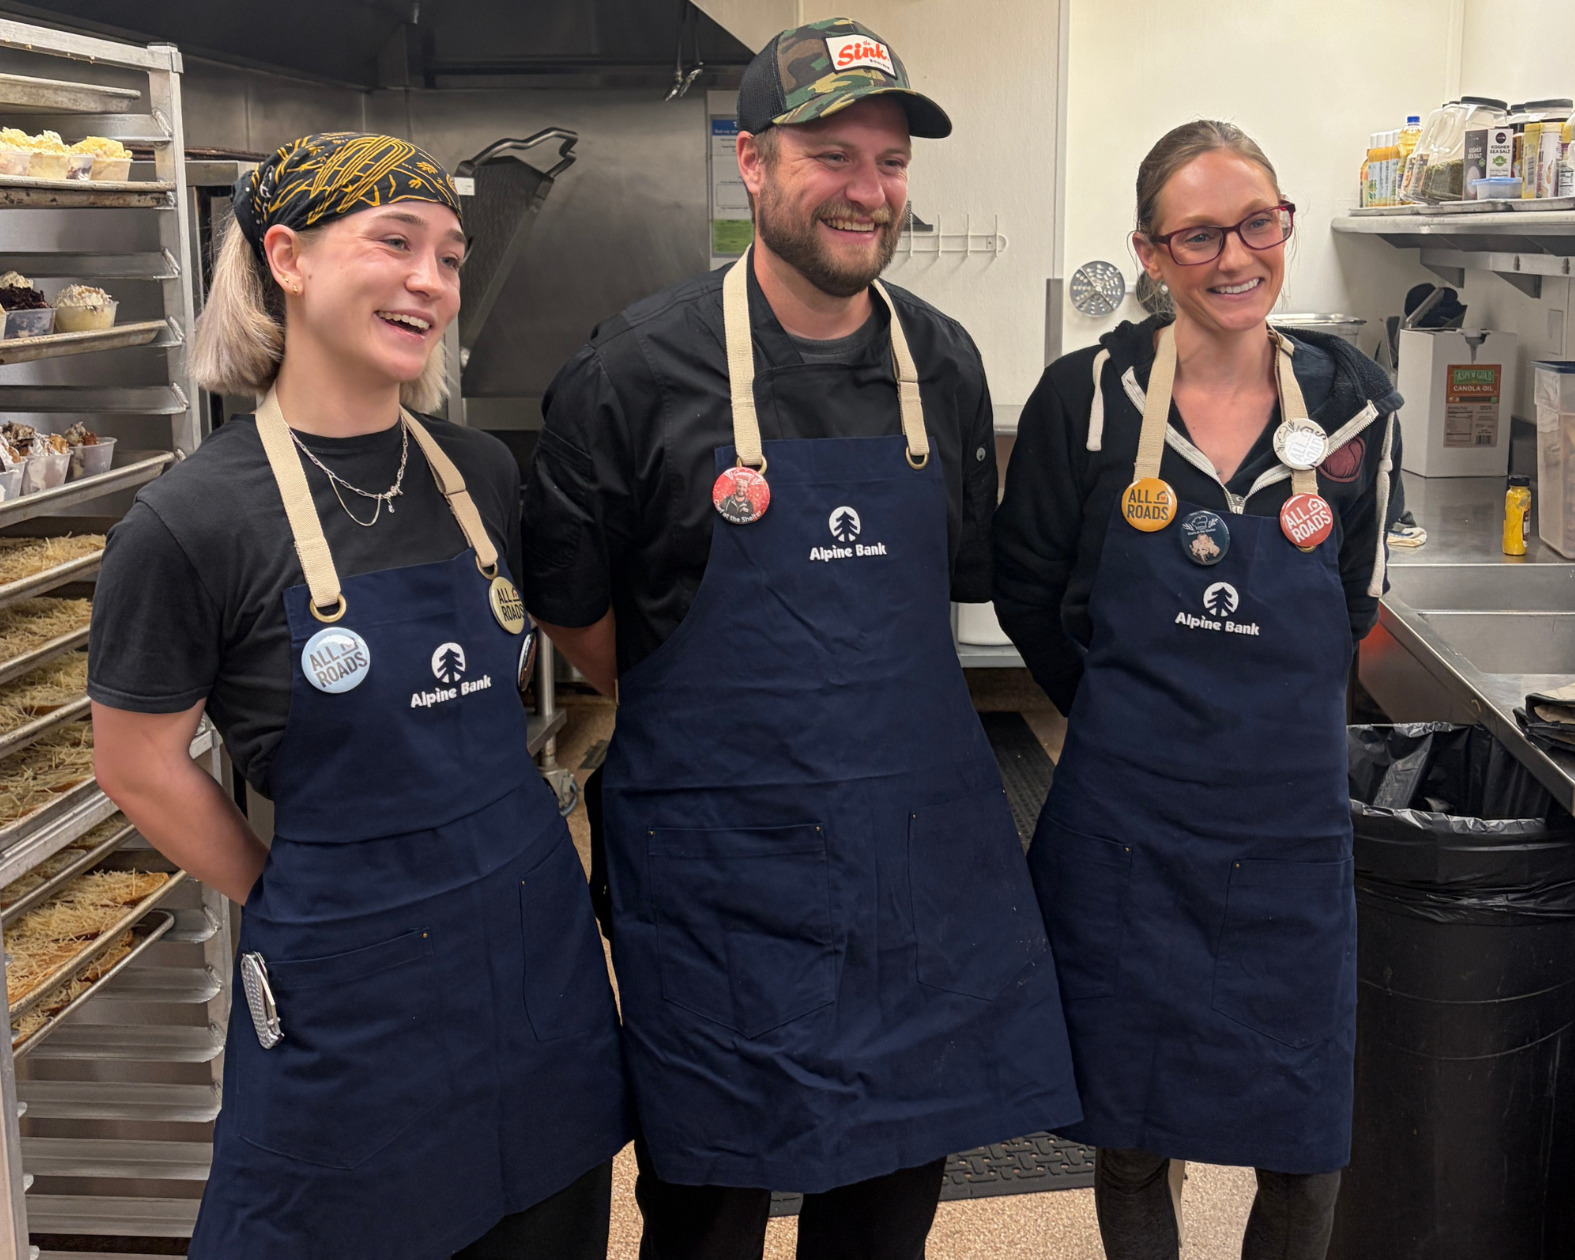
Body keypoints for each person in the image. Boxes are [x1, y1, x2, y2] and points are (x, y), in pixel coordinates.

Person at [521, 18, 1080, 1260]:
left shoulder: (940, 360)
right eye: (834, 154)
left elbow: (952, 582)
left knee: (885, 1206)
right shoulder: (631, 371)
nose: (866, 190)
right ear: (756, 162)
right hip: (717, 874)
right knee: (708, 1209)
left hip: (908, 867)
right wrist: (695, 709)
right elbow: (575, 608)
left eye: (889, 162)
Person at [87, 133, 629, 1260]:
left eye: (450, 255)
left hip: (534, 957)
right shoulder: (192, 522)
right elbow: (136, 761)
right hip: (355, 986)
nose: (431, 279)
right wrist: (282, 894)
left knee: (547, 1225)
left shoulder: (476, 472)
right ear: (286, 256)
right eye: (395, 243)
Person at [993, 119, 1405, 1260]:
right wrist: (1126, 719)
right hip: (1131, 827)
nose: (1237, 256)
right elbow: (1032, 593)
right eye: (1199, 234)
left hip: (1290, 830)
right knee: (1130, 1124)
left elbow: (1352, 601)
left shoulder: (1354, 402)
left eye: (1258, 223)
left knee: (1305, 1132)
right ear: (1152, 251)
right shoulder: (1087, 398)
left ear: (1284, 224)